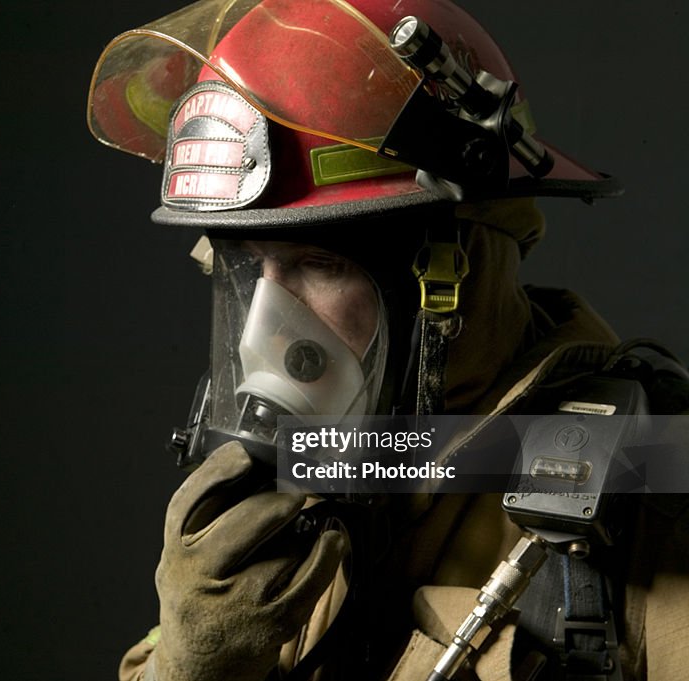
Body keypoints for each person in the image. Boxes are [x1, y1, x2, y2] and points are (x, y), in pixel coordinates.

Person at [85, 1, 689, 679]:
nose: (267, 328)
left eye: (321, 265)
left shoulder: (650, 498)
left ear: (452, 271)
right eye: (251, 269)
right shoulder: (308, 485)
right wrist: (189, 664)